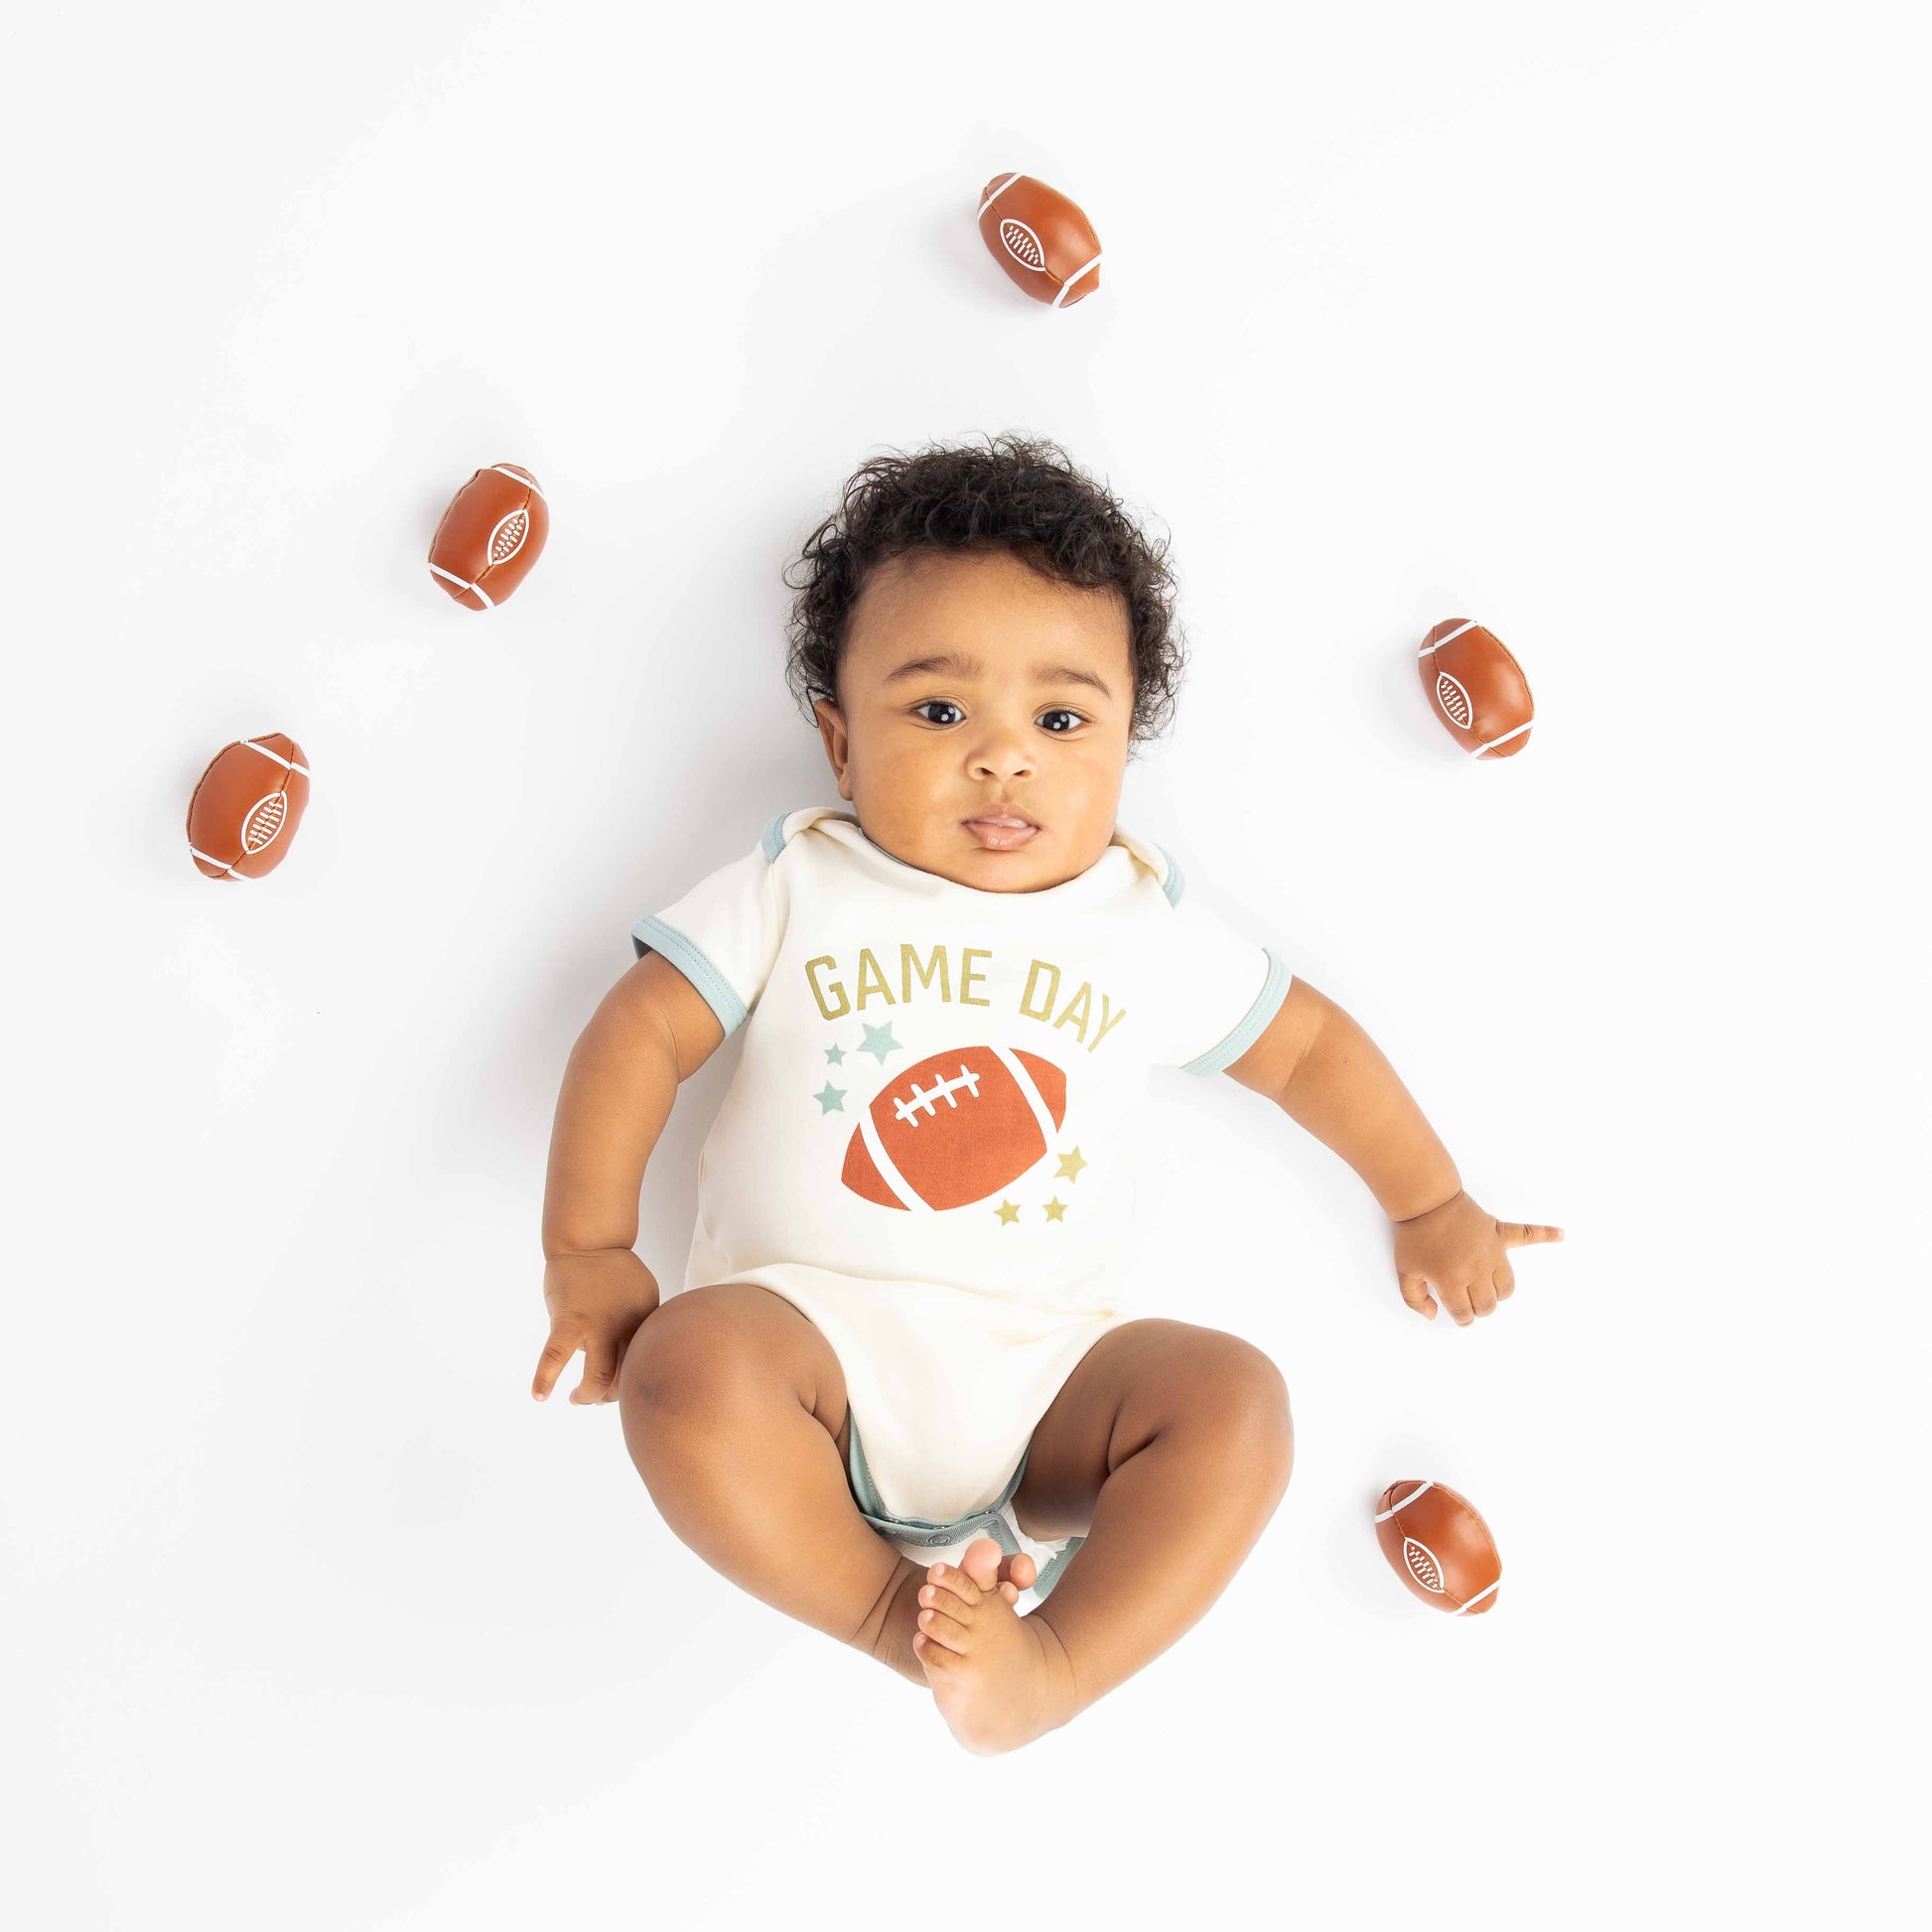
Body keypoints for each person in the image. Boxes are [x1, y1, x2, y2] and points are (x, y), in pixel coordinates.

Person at [533, 434, 1562, 1755]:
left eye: (1060, 720)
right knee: (682, 1372)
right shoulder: (800, 884)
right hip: (811, 1353)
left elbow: (1303, 1049)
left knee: (1234, 1402)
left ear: (1124, 746)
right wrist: (588, 1246)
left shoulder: (1135, 925)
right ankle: (888, 1617)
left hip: (1050, 1383)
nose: (1001, 759)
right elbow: (638, 1033)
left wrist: (1428, 1197)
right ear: (840, 744)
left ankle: (1055, 1664)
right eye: (939, 711)